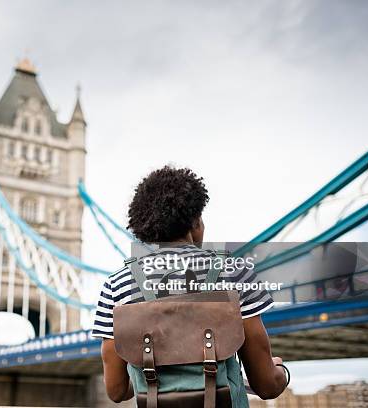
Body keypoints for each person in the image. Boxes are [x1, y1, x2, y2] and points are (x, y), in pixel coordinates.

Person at [91, 165, 288, 402]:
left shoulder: (117, 285)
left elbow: (116, 391)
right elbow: (266, 386)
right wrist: (280, 372)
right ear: (195, 221)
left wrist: (153, 370)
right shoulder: (234, 273)